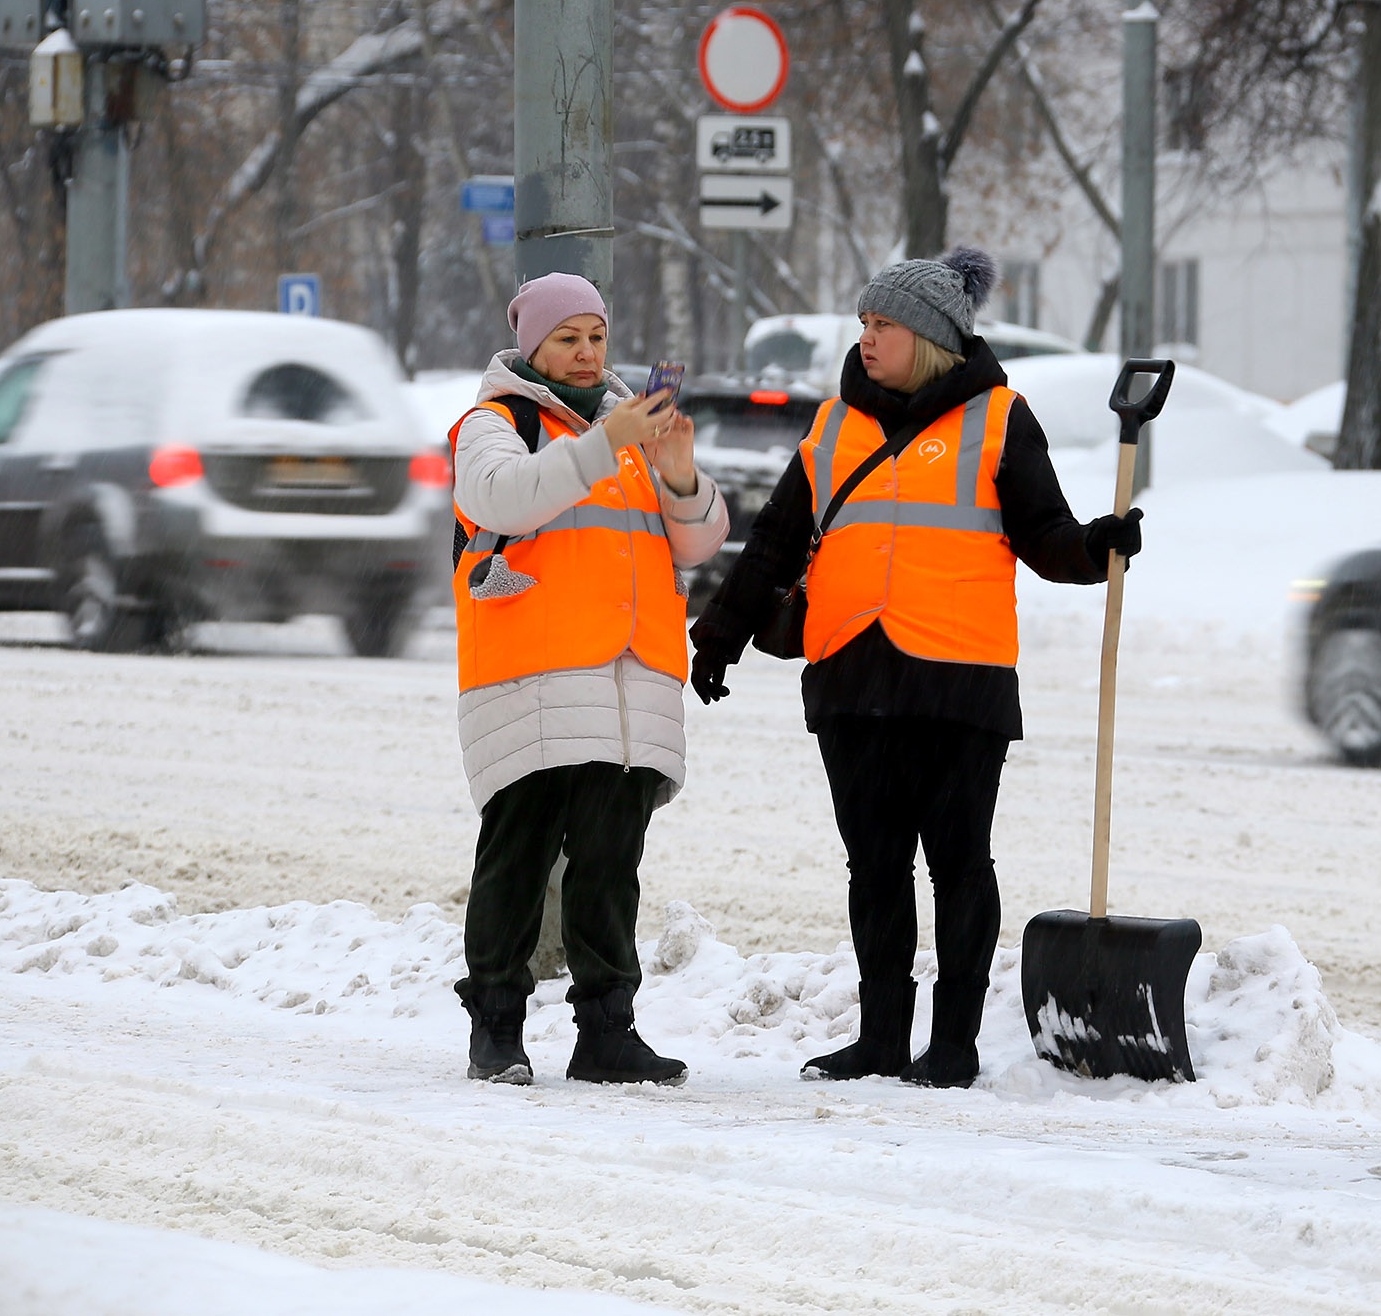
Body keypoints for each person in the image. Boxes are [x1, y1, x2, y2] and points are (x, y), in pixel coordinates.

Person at [687, 247, 1142, 1089]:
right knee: (874, 866)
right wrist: (719, 634)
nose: (866, 337)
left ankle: (955, 1044)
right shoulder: (834, 424)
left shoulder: (1000, 419)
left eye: (884, 324)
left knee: (960, 864)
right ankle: (882, 1037)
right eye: (864, 322)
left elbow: (1045, 535)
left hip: (958, 680)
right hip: (851, 673)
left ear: (929, 337)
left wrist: (1095, 546)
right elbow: (776, 540)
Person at [449, 273, 728, 1086]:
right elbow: (504, 498)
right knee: (517, 858)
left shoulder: (629, 427)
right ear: (531, 345)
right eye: (567, 338)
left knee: (610, 867)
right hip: (530, 678)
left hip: (627, 683)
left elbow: (697, 542)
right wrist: (608, 442)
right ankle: (496, 1026)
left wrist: (680, 472)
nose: (586, 353)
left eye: (596, 337)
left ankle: (607, 1030)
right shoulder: (494, 422)